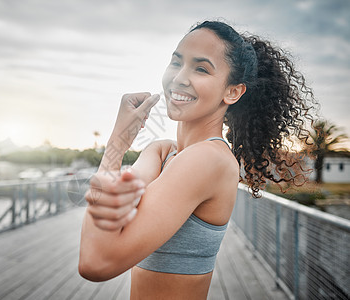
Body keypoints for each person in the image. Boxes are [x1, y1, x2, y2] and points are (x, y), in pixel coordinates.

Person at [78, 20, 316, 299]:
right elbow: (109, 221)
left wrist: (117, 142)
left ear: (233, 91)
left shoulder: (208, 159)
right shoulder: (163, 152)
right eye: (176, 62)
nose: (179, 77)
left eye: (201, 68)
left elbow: (96, 262)